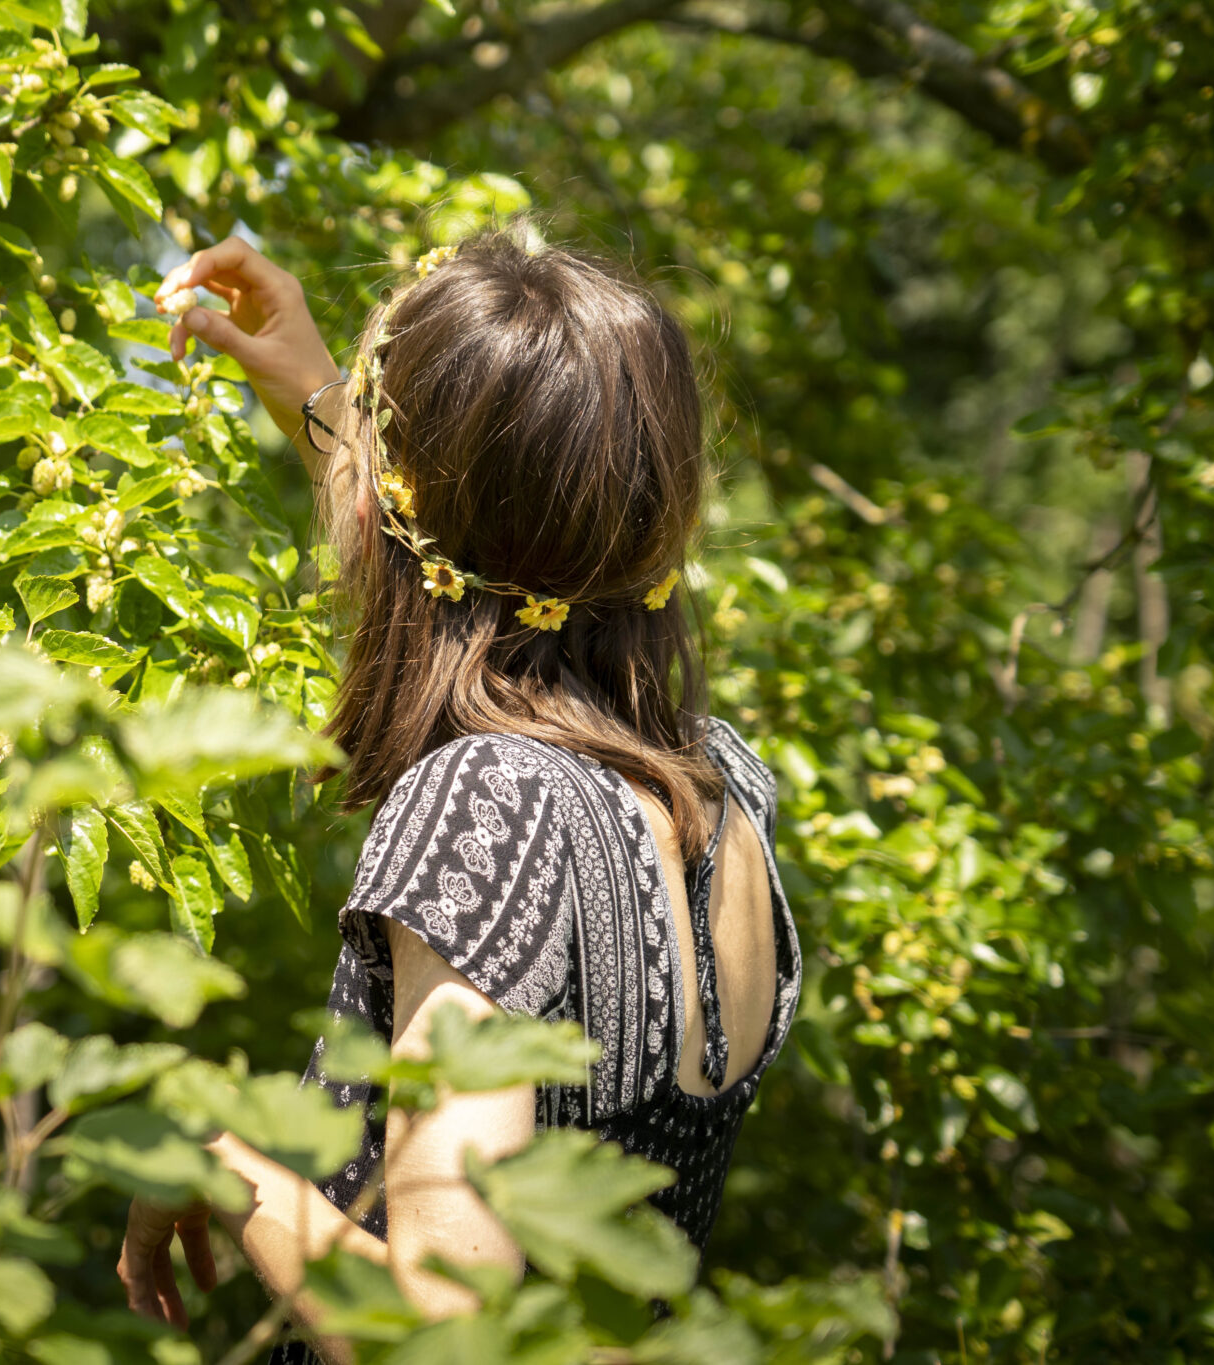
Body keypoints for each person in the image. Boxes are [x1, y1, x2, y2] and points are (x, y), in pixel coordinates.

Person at [117, 225, 801, 1365]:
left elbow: (445, 1334)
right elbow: (484, 562)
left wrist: (212, 1154)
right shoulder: (723, 787)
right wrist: (314, 386)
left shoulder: (485, 806)